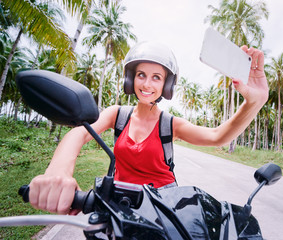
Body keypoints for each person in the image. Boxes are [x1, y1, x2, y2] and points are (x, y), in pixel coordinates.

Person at [28, 41, 269, 215]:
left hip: (164, 209)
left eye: (157, 77)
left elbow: (218, 137)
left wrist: (254, 102)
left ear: (166, 85)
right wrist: (57, 173)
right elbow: (79, 133)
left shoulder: (170, 123)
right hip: (119, 206)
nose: (147, 83)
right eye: (141, 74)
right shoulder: (117, 114)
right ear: (131, 79)